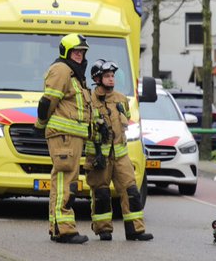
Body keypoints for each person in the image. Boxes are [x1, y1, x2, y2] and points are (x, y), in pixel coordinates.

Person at [85, 59, 153, 241]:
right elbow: (83, 126)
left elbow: (127, 119)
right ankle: (103, 230)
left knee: (131, 190)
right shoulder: (88, 101)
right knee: (101, 193)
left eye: (113, 76)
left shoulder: (121, 99)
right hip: (99, 157)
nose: (111, 79)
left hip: (121, 155)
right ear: (97, 78)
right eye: (107, 76)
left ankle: (135, 230)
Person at [34, 34, 91, 244]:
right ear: (66, 52)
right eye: (76, 52)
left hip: (72, 136)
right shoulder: (61, 70)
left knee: (66, 181)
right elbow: (47, 100)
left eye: (82, 52)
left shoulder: (74, 73)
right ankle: (64, 229)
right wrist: (40, 124)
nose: (80, 55)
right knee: (64, 180)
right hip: (64, 136)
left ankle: (58, 228)